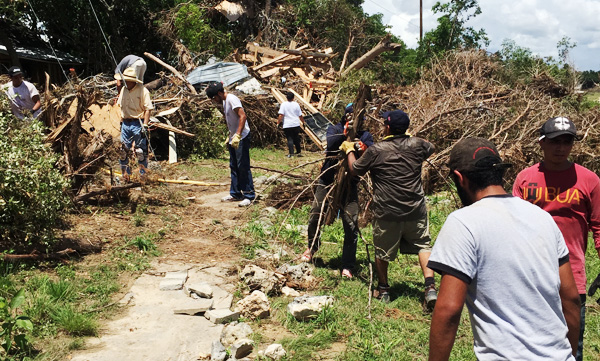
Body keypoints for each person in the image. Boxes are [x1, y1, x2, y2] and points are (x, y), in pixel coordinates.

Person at [427, 137, 581, 361]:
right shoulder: (543, 218)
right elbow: (570, 298)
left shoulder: (463, 222)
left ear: (460, 178)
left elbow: (449, 310)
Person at [512, 117, 600, 361]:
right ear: (541, 143)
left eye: (567, 142)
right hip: (530, 272)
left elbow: (599, 226)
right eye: (554, 142)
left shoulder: (589, 180)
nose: (561, 148)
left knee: (572, 346)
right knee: (528, 342)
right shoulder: (525, 179)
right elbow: (512, 225)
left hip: (572, 274)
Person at [343, 109, 437, 308]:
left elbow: (355, 170)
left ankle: (384, 289)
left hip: (388, 211)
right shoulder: (417, 145)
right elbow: (431, 147)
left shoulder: (377, 150)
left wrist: (349, 150)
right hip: (415, 208)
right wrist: (411, 140)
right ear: (406, 128)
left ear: (387, 127)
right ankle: (430, 288)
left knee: (382, 250)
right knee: (423, 245)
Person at [302, 104, 373, 279]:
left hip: (350, 185)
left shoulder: (365, 135)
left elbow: (371, 152)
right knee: (315, 216)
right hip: (327, 180)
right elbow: (331, 144)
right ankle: (312, 247)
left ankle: (348, 264)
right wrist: (345, 133)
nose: (354, 119)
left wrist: (361, 147)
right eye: (351, 115)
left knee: (351, 223)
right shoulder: (334, 128)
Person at [206, 81, 255, 207]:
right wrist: (231, 136)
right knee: (234, 165)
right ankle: (236, 193)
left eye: (214, 98)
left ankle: (249, 194)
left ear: (219, 93)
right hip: (234, 137)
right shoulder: (224, 101)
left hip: (242, 137)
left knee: (242, 165)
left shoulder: (232, 99)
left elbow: (242, 116)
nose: (214, 100)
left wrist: (238, 134)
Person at [114, 67, 154, 182]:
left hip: (138, 123)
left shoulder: (142, 90)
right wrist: (121, 122)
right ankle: (126, 175)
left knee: (140, 151)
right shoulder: (124, 90)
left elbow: (148, 109)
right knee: (123, 151)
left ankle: (143, 176)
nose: (123, 82)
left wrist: (145, 126)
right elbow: (121, 106)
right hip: (126, 123)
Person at [277, 91, 305, 158]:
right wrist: (303, 122)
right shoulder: (296, 104)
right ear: (293, 98)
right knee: (296, 138)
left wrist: (278, 123)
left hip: (287, 125)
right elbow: (300, 115)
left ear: (287, 97)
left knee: (290, 139)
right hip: (295, 124)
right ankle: (298, 152)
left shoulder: (283, 104)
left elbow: (281, 115)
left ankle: (291, 154)